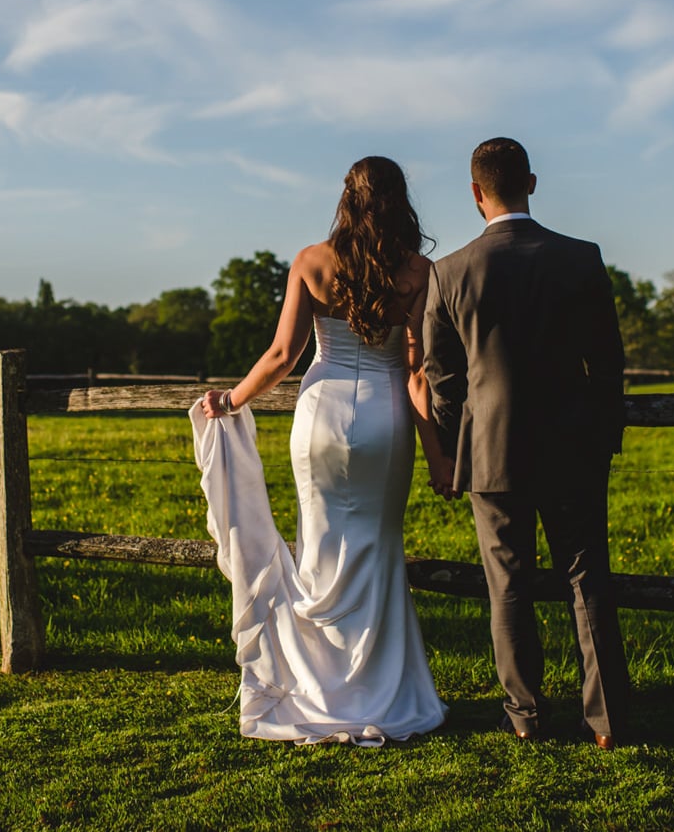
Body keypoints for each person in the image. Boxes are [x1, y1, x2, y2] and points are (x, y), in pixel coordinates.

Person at [192, 156, 449, 745]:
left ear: (347, 199)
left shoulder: (312, 262)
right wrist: (438, 457)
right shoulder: (417, 271)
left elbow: (283, 356)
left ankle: (314, 686)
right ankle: (379, 689)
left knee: (319, 546)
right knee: (379, 546)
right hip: (386, 416)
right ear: (399, 199)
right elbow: (416, 374)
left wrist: (230, 400)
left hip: (319, 418)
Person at [422, 137, 630, 748]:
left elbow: (441, 376)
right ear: (531, 184)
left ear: (475, 193)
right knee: (587, 580)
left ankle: (525, 716)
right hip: (574, 447)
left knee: (508, 585)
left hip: (491, 453)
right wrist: (604, 436)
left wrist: (462, 435)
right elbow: (608, 362)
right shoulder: (582, 258)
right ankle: (606, 721)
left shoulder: (449, 271)